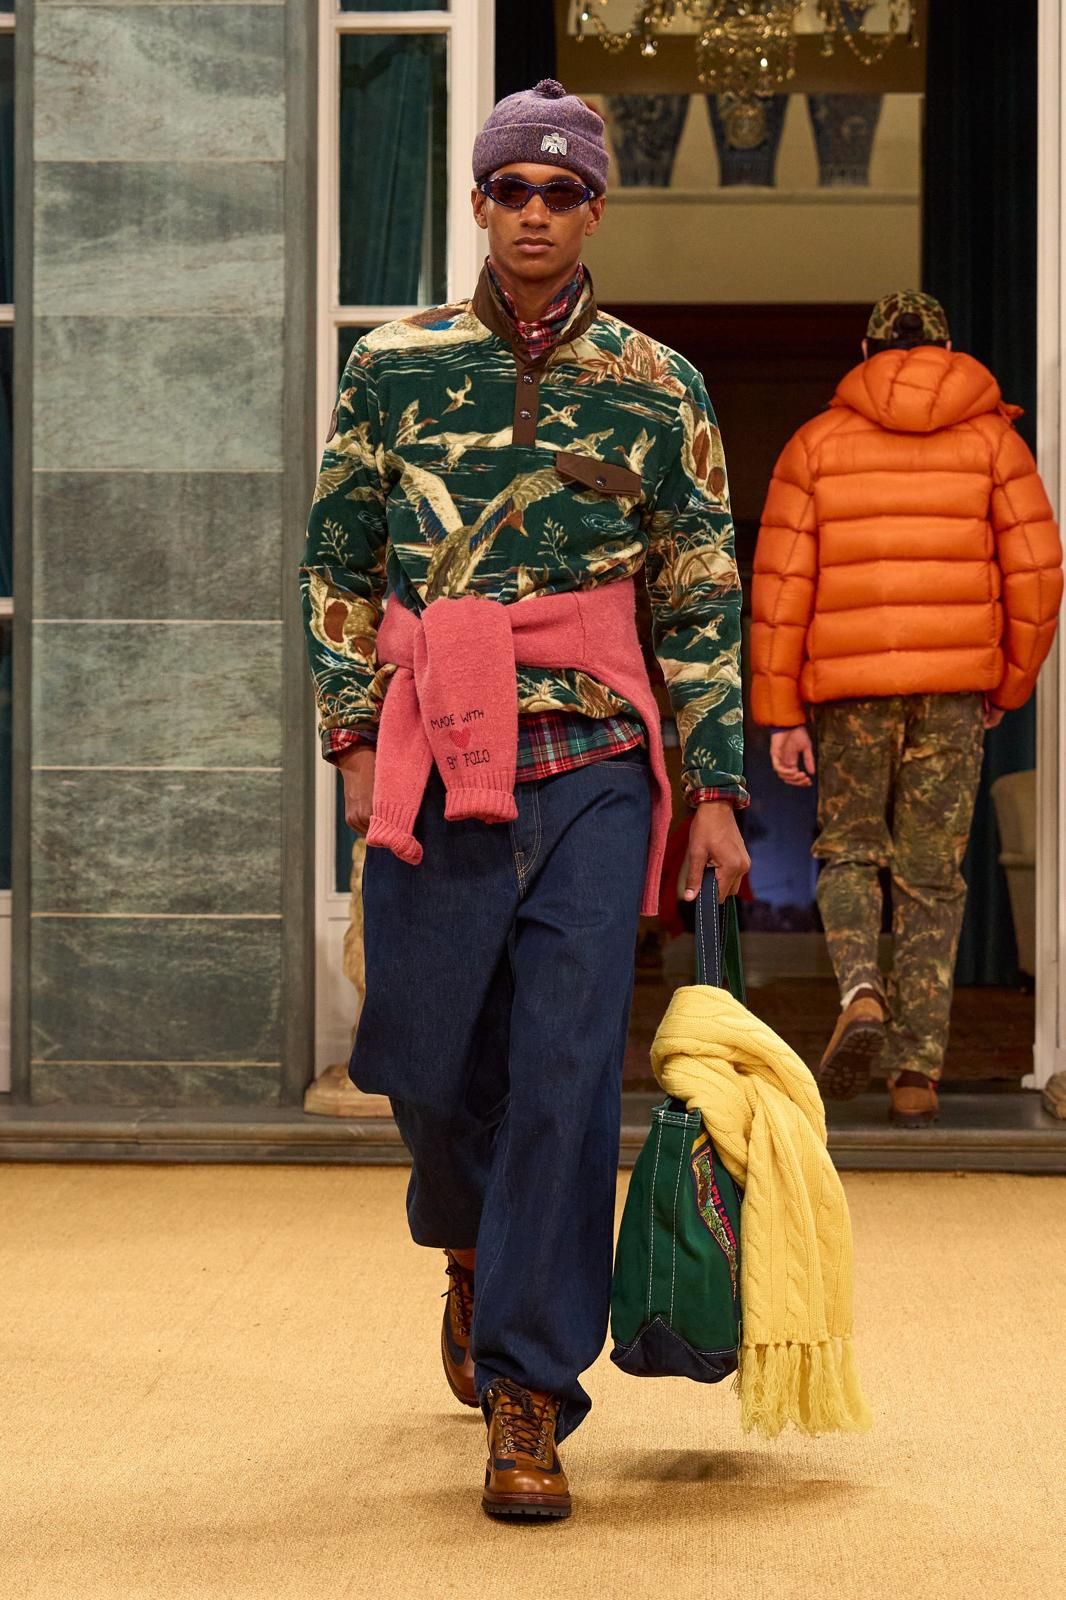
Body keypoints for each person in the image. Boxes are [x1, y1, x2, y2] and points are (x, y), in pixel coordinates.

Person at [300, 80, 749, 1522]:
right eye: (513, 190)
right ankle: (469, 1246)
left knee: (565, 1071)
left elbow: (698, 593)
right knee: (429, 1065)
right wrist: (353, 733)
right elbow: (336, 561)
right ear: (480, 204)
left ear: (594, 210)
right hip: (433, 752)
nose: (535, 213)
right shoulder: (394, 367)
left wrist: (715, 787)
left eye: (561, 192)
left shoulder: (659, 384)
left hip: (596, 761)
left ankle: (528, 1392)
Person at [751, 291, 1062, 1130]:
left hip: (849, 695)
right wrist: (1008, 683)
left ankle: (860, 988)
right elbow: (1038, 575)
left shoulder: (817, 444)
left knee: (850, 852)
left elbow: (781, 589)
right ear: (948, 348)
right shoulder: (993, 441)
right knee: (931, 877)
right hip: (954, 690)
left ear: (865, 350)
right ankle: (916, 1072)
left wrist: (782, 712)